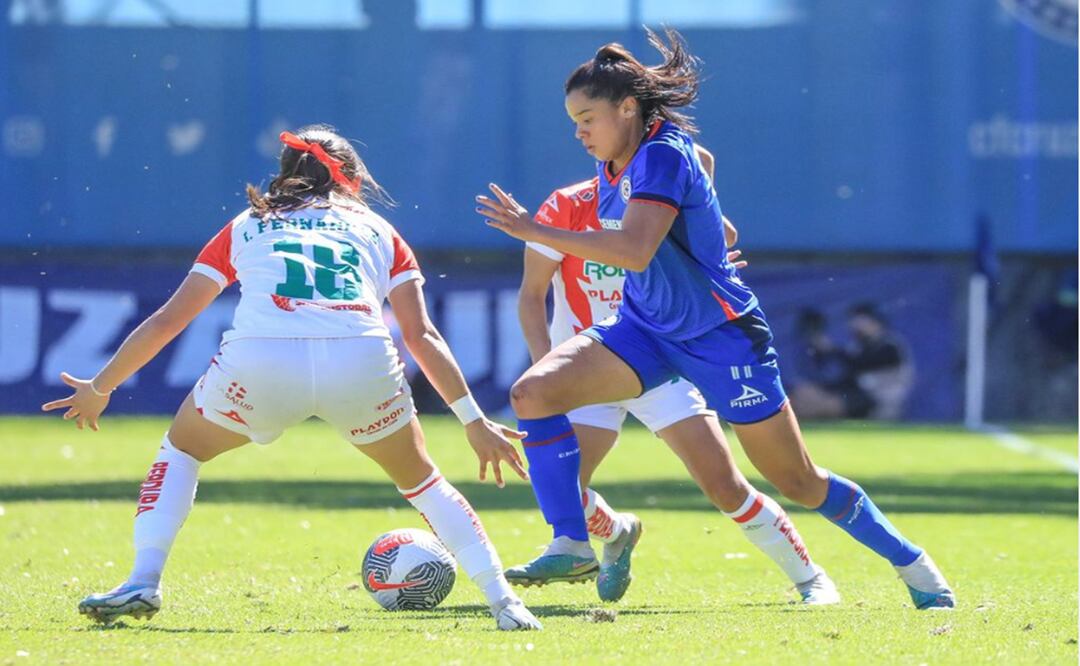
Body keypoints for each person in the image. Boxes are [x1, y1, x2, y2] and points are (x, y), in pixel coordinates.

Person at [476, 29, 955, 610]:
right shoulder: (620, 159)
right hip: (644, 330)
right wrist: (711, 232)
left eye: (586, 119)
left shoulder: (661, 153)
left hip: (721, 337)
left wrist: (534, 230)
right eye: (574, 121)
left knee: (796, 480)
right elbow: (701, 187)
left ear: (627, 108)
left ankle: (912, 563)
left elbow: (635, 250)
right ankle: (573, 542)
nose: (578, 133)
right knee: (533, 393)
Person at [42, 125, 542, 631]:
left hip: (262, 361)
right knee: (425, 482)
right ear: (351, 177)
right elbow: (421, 335)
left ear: (284, 172)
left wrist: (100, 387)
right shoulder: (379, 230)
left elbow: (168, 320)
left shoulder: (247, 223)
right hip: (360, 361)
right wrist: (473, 420)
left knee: (183, 450)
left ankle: (143, 579)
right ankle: (504, 602)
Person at [509, 161, 839, 605]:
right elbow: (532, 295)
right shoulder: (568, 204)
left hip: (659, 358)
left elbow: (722, 234)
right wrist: (546, 368)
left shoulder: (663, 191)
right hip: (589, 365)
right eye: (582, 128)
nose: (588, 135)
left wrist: (708, 263)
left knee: (724, 486)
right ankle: (617, 531)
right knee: (561, 487)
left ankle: (810, 579)